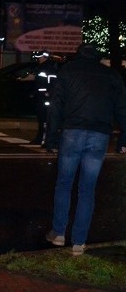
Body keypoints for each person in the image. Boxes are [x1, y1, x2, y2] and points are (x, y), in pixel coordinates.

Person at [44, 43, 126, 256]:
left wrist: (51, 139)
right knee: (87, 189)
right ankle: (79, 242)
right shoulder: (111, 75)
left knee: (64, 183)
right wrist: (123, 139)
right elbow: (122, 108)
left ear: (77, 55)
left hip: (72, 132)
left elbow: (56, 106)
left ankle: (59, 233)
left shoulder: (68, 71)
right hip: (100, 134)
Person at [30, 50, 59, 145]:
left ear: (43, 57)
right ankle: (43, 139)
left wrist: (47, 92)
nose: (38, 59)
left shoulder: (47, 67)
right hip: (42, 96)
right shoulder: (44, 66)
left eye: (39, 57)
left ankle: (45, 140)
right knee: (43, 119)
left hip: (45, 97)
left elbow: (51, 81)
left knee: (45, 119)